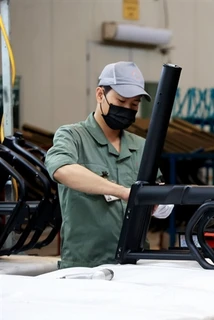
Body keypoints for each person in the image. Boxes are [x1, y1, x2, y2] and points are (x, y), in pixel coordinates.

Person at [45, 61, 173, 269]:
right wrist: (123, 192)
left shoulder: (141, 146)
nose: (127, 109)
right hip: (85, 265)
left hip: (135, 263)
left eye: (134, 105)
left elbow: (158, 191)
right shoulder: (73, 136)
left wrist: (161, 203)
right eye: (121, 101)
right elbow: (62, 169)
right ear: (100, 95)